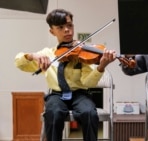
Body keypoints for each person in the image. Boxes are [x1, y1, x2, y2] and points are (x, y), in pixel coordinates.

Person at [14, 9, 116, 141]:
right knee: (53, 113)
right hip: (56, 95)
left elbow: (88, 83)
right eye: (61, 27)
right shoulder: (47, 54)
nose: (67, 30)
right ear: (52, 31)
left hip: (80, 94)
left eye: (69, 25)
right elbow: (19, 63)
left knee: (89, 113)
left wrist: (101, 66)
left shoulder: (81, 52)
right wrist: (32, 56)